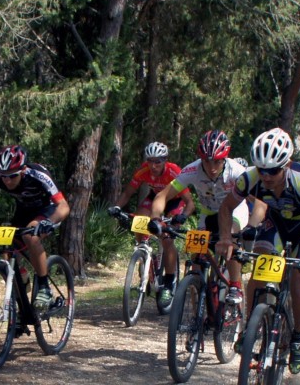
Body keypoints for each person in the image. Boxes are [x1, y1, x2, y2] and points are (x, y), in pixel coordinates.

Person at [216, 127, 300, 375]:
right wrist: (226, 238)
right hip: (276, 223)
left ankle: (299, 337)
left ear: (286, 164)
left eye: (274, 171)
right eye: (262, 170)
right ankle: (250, 327)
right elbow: (226, 208)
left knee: (299, 286)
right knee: (259, 274)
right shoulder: (249, 179)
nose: (267, 176)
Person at [0, 145, 70, 310]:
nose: (7, 181)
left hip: (48, 210)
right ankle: (20, 293)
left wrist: (49, 222)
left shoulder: (38, 175)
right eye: (4, 177)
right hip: (23, 212)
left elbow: (63, 206)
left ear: (23, 170)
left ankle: (44, 286)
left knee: (31, 234)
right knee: (6, 249)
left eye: (12, 176)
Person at [148, 130, 253, 305]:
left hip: (235, 212)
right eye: (207, 161)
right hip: (209, 213)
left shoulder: (237, 171)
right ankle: (198, 310)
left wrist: (256, 222)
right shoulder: (192, 170)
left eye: (217, 162)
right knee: (196, 260)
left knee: (231, 239)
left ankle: (235, 285)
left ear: (225, 158)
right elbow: (162, 196)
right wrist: (156, 218)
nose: (212, 167)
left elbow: (256, 200)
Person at [108, 141, 193, 307]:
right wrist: (117, 207)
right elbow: (127, 193)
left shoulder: (174, 172)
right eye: (150, 161)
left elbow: (189, 201)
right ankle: (145, 257)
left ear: (165, 160)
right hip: (155, 199)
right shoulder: (143, 171)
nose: (153, 166)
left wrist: (182, 216)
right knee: (140, 220)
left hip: (174, 203)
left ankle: (169, 282)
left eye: (158, 162)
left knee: (167, 239)